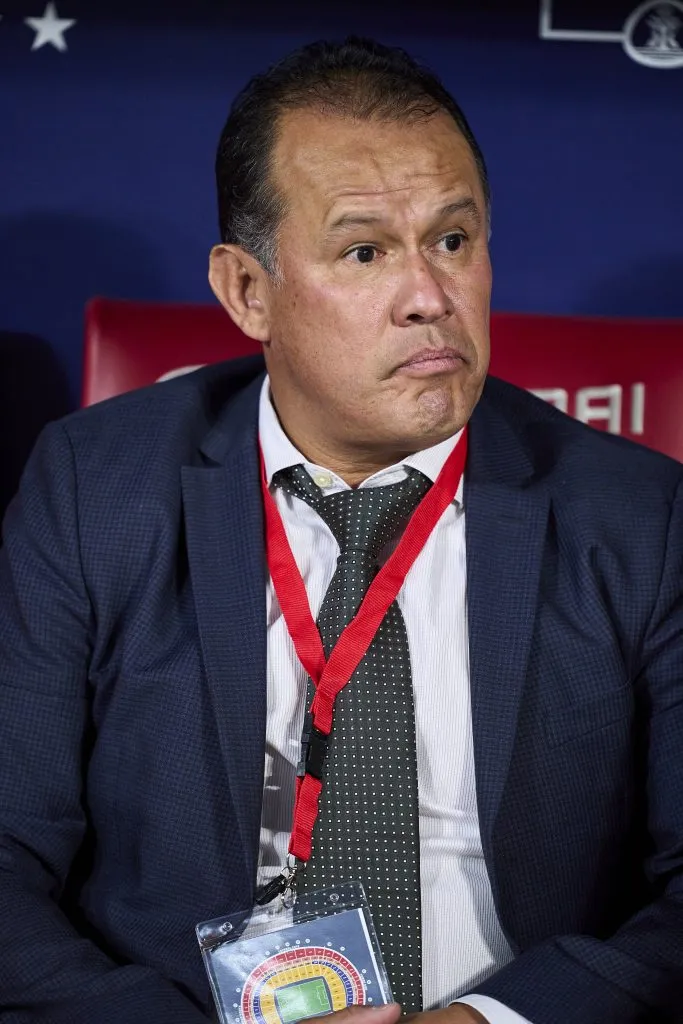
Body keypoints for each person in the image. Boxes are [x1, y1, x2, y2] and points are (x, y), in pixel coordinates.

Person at [0, 36, 681, 1024]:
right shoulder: (92, 490)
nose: (428, 297)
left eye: (452, 240)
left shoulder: (635, 516)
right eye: (365, 251)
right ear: (247, 291)